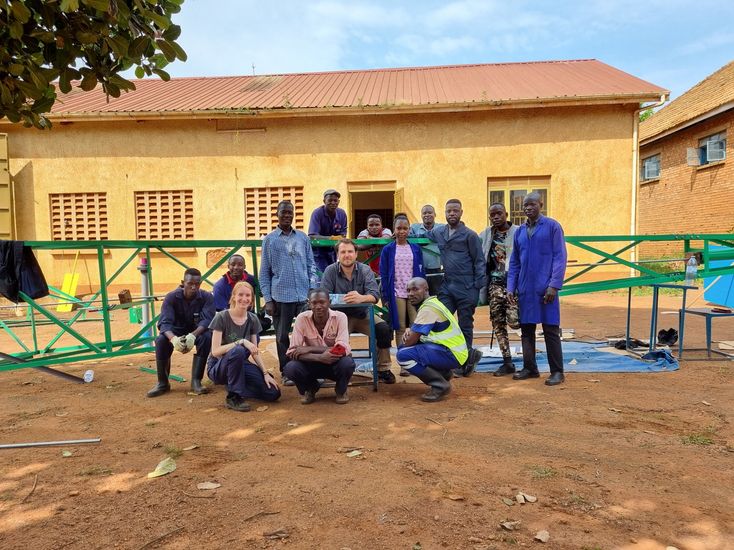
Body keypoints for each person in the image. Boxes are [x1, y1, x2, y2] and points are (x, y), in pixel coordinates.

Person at [507, 192, 568, 386]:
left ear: (541, 204)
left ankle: (557, 372)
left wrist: (554, 285)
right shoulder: (519, 232)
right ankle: (530, 368)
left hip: (545, 289)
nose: (528, 208)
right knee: (526, 330)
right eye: (525, 205)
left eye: (532, 204)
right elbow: (514, 262)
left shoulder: (552, 227)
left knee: (550, 330)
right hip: (525, 289)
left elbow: (560, 257)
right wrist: (511, 287)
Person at [321, 238, 396, 383]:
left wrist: (361, 298)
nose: (347, 255)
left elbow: (374, 295)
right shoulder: (330, 271)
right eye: (343, 252)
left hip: (363, 315)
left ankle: (383, 369)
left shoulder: (365, 269)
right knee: (332, 338)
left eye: (350, 251)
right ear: (338, 254)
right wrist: (343, 299)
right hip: (339, 317)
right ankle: (334, 369)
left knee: (383, 329)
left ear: (356, 254)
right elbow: (324, 296)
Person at [259, 200, 317, 382]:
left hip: (303, 296)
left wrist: (313, 290)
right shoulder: (269, 240)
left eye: (290, 212)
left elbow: (311, 265)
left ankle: (310, 368)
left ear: (293, 215)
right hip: (280, 297)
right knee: (282, 336)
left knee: (309, 334)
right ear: (277, 214)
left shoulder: (302, 238)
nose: (287, 215)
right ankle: (287, 372)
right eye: (283, 212)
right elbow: (264, 273)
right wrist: (268, 299)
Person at [428, 199, 485, 377]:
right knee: (442, 321)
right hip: (447, 285)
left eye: (455, 211)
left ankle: (466, 361)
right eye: (448, 211)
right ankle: (444, 359)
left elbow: (479, 261)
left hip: (467, 286)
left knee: (465, 325)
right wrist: (400, 234)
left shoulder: (470, 235)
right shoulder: (439, 232)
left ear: (461, 212)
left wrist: (477, 288)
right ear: (444, 213)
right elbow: (423, 232)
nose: (451, 214)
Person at [207, 281, 281, 411]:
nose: (244, 299)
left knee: (273, 393)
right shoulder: (221, 317)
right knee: (238, 350)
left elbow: (254, 351)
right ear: (234, 296)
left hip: (240, 363)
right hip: (218, 367)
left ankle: (237, 384)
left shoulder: (252, 319)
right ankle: (233, 396)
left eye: (248, 295)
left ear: (252, 299)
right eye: (240, 295)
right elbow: (215, 351)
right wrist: (240, 341)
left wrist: (265, 373)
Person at [396, 277, 468, 402]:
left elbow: (410, 341)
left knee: (403, 355)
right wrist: (411, 333)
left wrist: (408, 337)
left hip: (452, 354)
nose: (411, 294)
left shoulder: (428, 308)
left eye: (415, 289)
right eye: (408, 291)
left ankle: (440, 385)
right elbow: (417, 333)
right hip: (454, 352)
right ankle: (444, 374)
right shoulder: (432, 303)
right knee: (407, 348)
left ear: (426, 290)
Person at [147, 268, 214, 398]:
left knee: (206, 337)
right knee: (161, 341)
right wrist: (173, 339)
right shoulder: (171, 297)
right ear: (183, 282)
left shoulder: (206, 297)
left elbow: (207, 320)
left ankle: (196, 381)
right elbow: (165, 323)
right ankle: (163, 383)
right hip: (175, 331)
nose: (194, 287)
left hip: (196, 330)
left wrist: (193, 335)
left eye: (197, 284)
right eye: (190, 284)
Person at [283, 288, 356, 404]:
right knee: (290, 368)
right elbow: (292, 352)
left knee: (347, 363)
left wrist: (308, 348)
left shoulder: (340, 317)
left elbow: (342, 348)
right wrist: (319, 357)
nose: (318, 306)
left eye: (322, 302)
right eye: (314, 303)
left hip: (333, 362)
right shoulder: (301, 319)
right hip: (311, 363)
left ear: (329, 302)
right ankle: (310, 388)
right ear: (309, 304)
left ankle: (341, 390)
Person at [379, 215, 425, 375]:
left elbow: (421, 272)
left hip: (414, 293)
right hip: (396, 292)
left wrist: (422, 293)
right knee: (399, 327)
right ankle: (404, 363)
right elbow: (384, 274)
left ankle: (412, 360)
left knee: (414, 326)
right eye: (399, 228)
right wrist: (385, 296)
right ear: (394, 229)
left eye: (405, 228)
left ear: (409, 230)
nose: (402, 231)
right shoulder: (388, 249)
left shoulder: (416, 249)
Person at [479, 203, 519, 376]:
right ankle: (507, 361)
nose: (495, 217)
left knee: (515, 320)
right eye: (492, 215)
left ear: (506, 214)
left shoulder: (518, 232)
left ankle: (530, 360)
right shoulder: (486, 234)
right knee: (498, 323)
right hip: (494, 284)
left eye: (499, 213)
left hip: (514, 284)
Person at [308, 189, 348, 275]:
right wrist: (331, 238)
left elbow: (343, 234)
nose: (333, 203)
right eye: (330, 200)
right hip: (318, 252)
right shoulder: (317, 213)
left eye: (335, 200)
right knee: (323, 275)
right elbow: (312, 236)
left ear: (338, 201)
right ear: (324, 201)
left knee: (333, 275)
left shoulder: (342, 214)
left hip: (333, 251)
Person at [409, 205, 445, 296]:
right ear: (421, 215)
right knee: (419, 296)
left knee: (436, 296)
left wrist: (420, 238)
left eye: (430, 212)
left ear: (435, 214)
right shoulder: (414, 227)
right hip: (419, 269)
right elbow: (407, 237)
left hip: (437, 268)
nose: (427, 215)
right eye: (424, 213)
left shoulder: (442, 227)